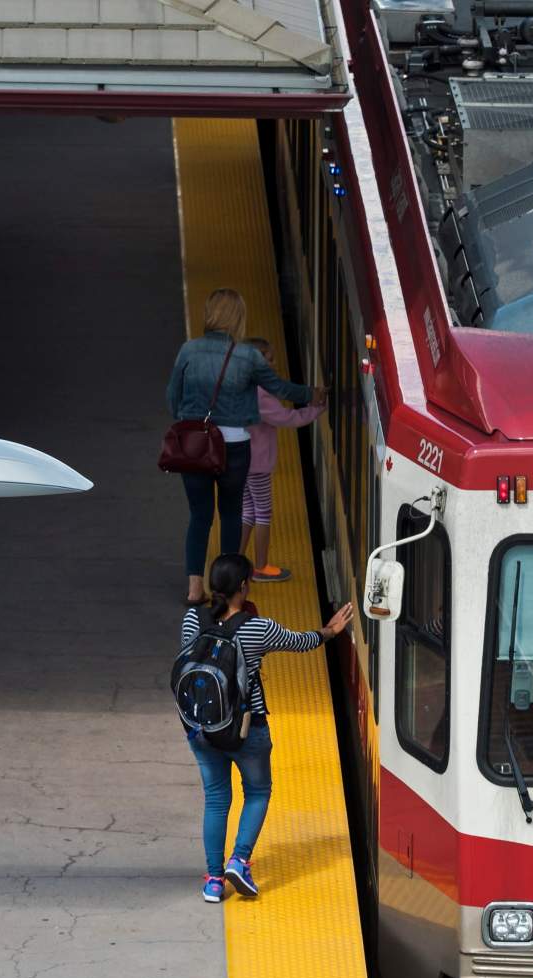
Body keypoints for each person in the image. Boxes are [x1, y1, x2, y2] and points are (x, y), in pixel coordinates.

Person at [182, 553, 352, 903]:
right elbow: (301, 641)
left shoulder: (191, 619)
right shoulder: (256, 627)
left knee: (216, 800)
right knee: (257, 792)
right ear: (243, 586)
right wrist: (330, 631)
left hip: (201, 728)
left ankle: (214, 880)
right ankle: (239, 860)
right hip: (247, 729)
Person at [166, 289, 326, 605]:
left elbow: (173, 394)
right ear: (238, 318)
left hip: (195, 444)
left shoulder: (189, 350)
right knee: (230, 514)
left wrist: (189, 420)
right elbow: (279, 388)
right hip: (235, 446)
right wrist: (313, 394)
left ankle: (194, 589)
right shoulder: (248, 356)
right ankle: (224, 589)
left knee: (199, 516)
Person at [239, 337, 326, 583]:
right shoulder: (261, 394)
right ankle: (261, 567)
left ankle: (235, 561)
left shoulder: (241, 385)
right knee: (263, 513)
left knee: (246, 511)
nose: (274, 363)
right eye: (269, 359)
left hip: (241, 458)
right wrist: (318, 409)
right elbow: (287, 418)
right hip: (258, 463)